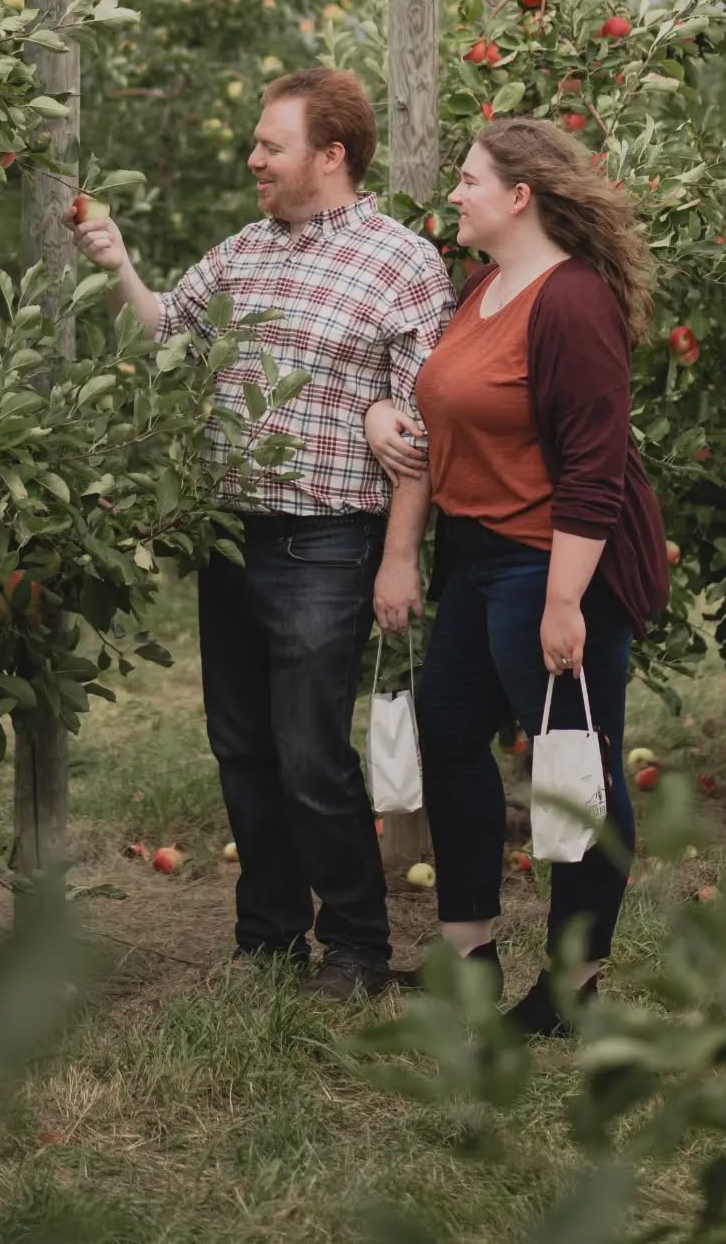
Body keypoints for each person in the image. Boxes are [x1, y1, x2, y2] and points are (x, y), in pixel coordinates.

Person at [66, 68, 454, 1000]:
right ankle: (270, 935)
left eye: (269, 145)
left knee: (312, 753)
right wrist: (120, 266)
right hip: (230, 534)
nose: (253, 159)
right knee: (240, 745)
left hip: (326, 543)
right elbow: (171, 332)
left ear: (331, 155)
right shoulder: (243, 251)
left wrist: (399, 558)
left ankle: (357, 947)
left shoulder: (402, 264)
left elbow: (419, 436)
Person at [364, 116, 668, 1036]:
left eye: (468, 180)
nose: (454, 193)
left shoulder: (571, 304)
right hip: (482, 558)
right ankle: (468, 953)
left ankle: (572, 987)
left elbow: (596, 467)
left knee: (577, 773)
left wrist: (567, 601)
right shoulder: (485, 289)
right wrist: (383, 414)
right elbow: (441, 405)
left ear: (519, 196)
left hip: (551, 563)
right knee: (449, 736)